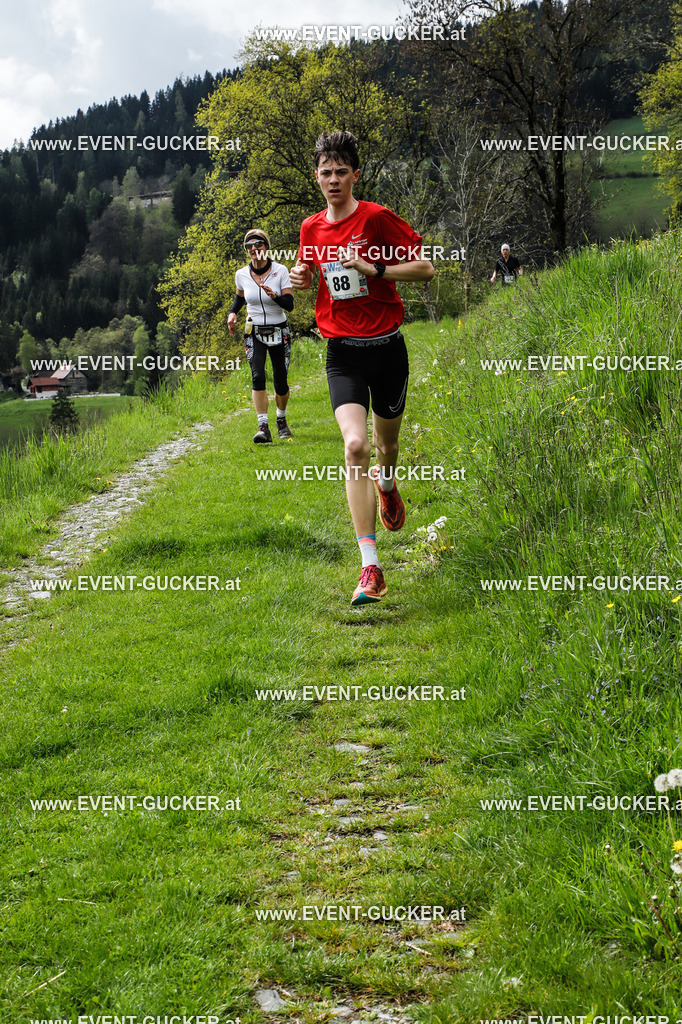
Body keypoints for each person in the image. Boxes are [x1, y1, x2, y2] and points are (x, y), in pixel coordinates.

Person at [290, 130, 434, 606]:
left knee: (386, 446)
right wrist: (301, 278)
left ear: (355, 175)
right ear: (316, 177)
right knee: (356, 446)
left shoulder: (376, 218)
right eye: (325, 173)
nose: (332, 180)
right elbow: (309, 277)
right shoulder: (311, 229)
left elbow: (425, 269)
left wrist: (377, 270)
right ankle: (371, 567)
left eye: (340, 172)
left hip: (387, 348)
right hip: (343, 352)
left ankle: (387, 485)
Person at [228, 229, 294, 443]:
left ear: (266, 247)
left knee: (280, 381)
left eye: (258, 245)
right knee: (257, 376)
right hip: (253, 330)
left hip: (279, 329)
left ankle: (281, 420)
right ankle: (263, 427)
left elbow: (290, 305)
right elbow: (239, 297)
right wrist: (232, 313)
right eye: (249, 246)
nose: (254, 249)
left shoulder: (281, 271)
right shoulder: (241, 274)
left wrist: (275, 296)